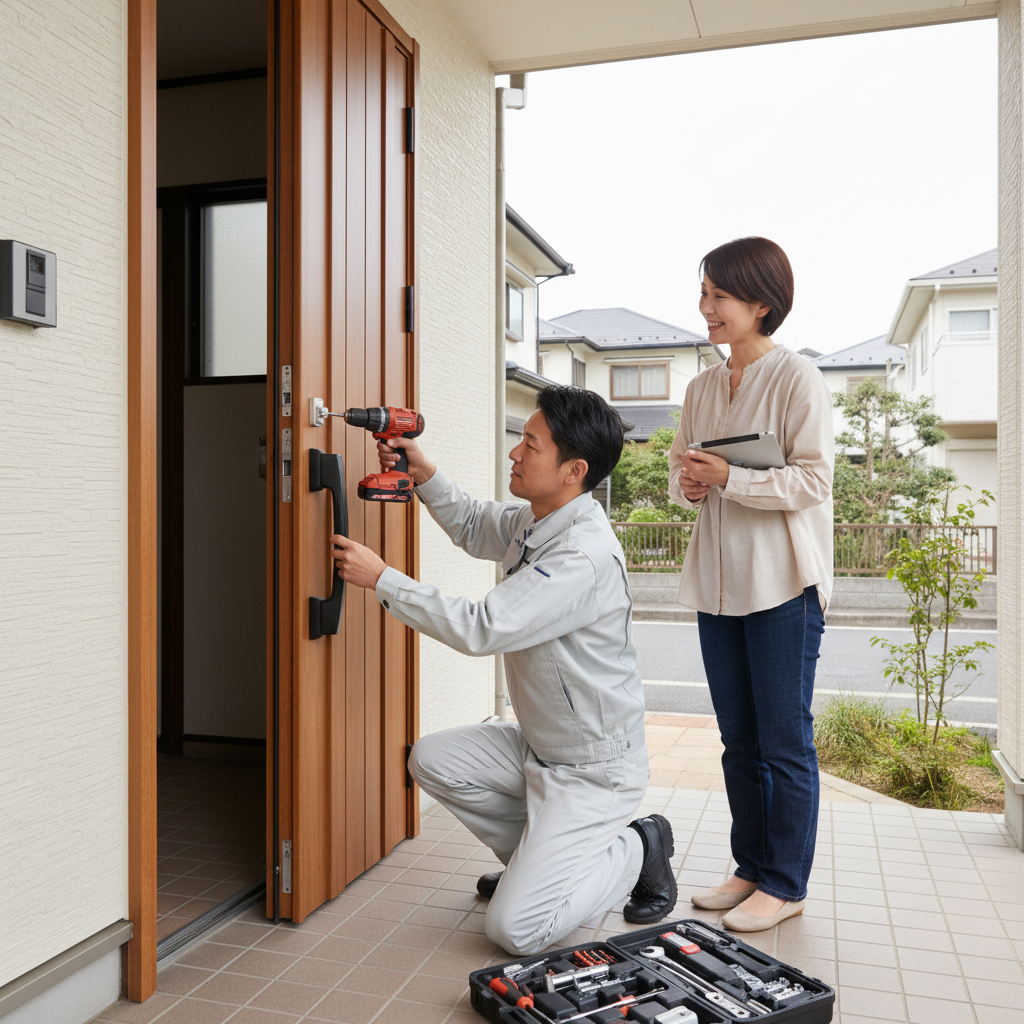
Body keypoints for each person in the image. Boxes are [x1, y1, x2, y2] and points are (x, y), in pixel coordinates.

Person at [331, 385, 676, 956]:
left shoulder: (581, 556)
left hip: (592, 771)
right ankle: (531, 871)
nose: (515, 454)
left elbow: (481, 627)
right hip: (538, 747)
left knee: (514, 931)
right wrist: (423, 473)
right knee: (432, 759)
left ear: (574, 470)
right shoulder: (538, 521)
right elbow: (472, 524)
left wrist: (383, 579)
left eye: (531, 444)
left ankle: (639, 845)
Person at [667, 237, 833, 933]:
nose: (705, 309)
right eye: (703, 294)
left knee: (783, 741)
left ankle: (786, 882)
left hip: (783, 586)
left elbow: (814, 480)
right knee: (738, 739)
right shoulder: (702, 388)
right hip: (717, 586)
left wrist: (731, 476)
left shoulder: (798, 378)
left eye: (718, 297)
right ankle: (750, 866)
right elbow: (683, 484)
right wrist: (692, 484)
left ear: (761, 303)